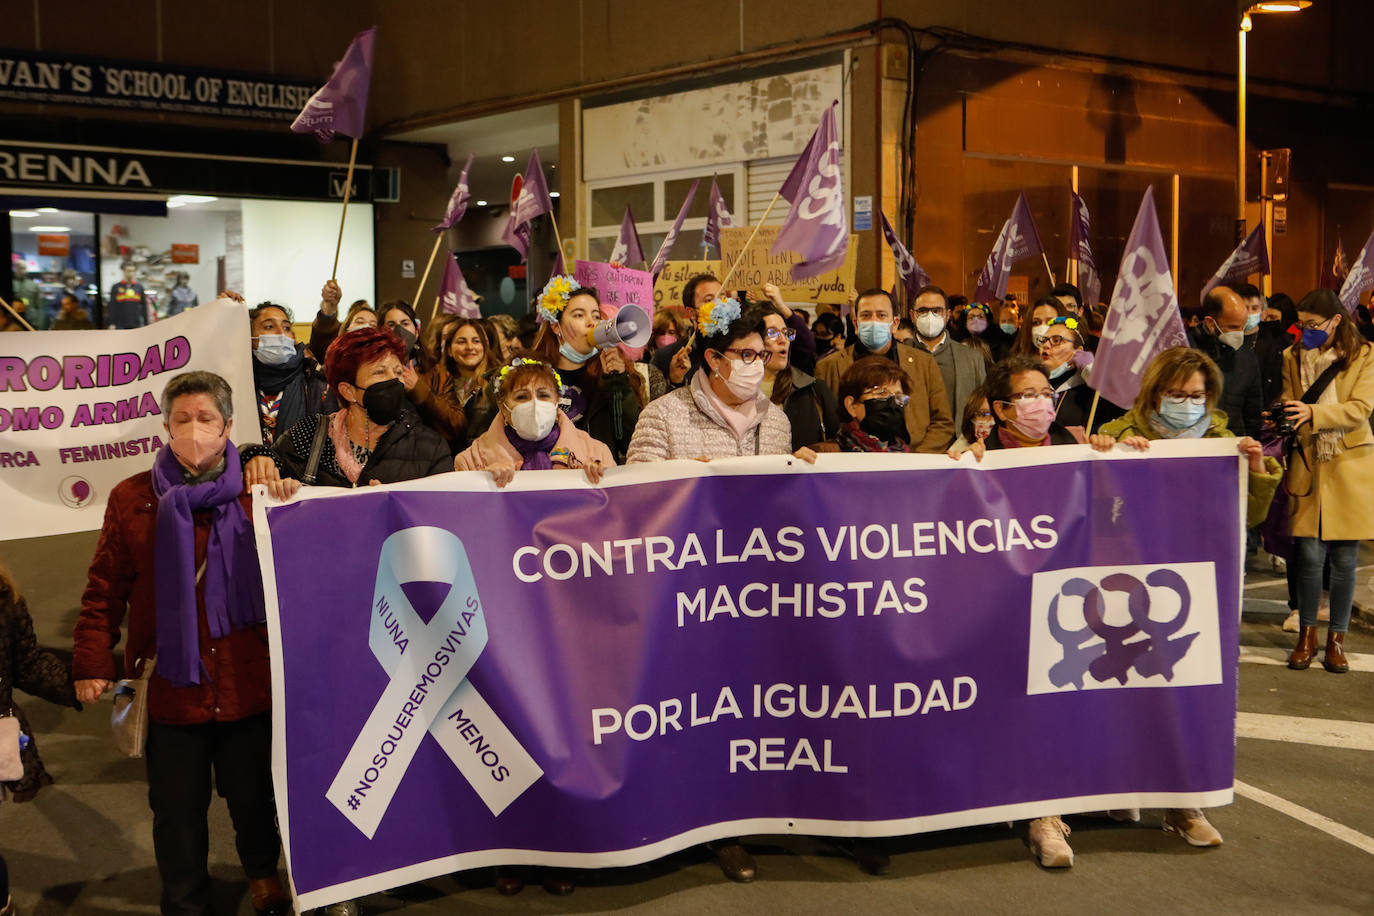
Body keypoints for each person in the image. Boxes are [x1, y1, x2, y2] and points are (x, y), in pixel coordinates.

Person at [72, 371, 291, 916]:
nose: (194, 430)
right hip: (171, 682)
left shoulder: (258, 494)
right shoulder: (131, 498)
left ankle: (263, 875)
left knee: (252, 797)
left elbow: (310, 565)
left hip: (246, 679)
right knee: (176, 809)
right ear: (165, 427)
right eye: (183, 419)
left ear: (228, 427)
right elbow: (105, 587)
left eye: (206, 419)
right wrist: (91, 661)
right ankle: (185, 902)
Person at [625, 297, 815, 883]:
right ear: (713, 358)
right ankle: (687, 820)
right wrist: (692, 480)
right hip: (686, 593)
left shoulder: (776, 420)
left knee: (743, 709)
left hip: (753, 592)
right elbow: (636, 494)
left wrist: (802, 473)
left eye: (765, 354)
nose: (759, 364)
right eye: (746, 354)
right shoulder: (664, 414)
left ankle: (734, 817)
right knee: (691, 709)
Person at [1277, 289, 1374, 674]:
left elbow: (1361, 409)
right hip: (1308, 459)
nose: (1306, 332)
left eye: (1313, 325)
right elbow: (1290, 399)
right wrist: (1283, 414)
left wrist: (1312, 412)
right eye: (1302, 325)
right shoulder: (1290, 355)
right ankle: (1307, 636)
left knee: (1345, 558)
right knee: (1310, 556)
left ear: (1336, 321)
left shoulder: (1364, 355)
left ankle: (1337, 639)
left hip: (1350, 461)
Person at [243, 327, 453, 494]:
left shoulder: (429, 446)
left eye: (398, 371)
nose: (393, 380)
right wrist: (254, 456)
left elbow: (439, 518)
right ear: (348, 391)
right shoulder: (309, 435)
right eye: (380, 372)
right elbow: (265, 467)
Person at [1100, 347, 1280, 529]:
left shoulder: (1221, 441)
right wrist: (1114, 457)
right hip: (1139, 551)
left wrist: (1257, 470)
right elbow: (1104, 515)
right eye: (1177, 395)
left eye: (1196, 395)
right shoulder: (1121, 435)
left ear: (1208, 395)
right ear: (1155, 394)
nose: (1187, 403)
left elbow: (1250, 517)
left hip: (1201, 551)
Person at [815, 289, 954, 453]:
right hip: (851, 463)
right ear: (855, 324)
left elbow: (942, 422)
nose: (873, 321)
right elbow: (820, 425)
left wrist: (916, 460)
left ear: (895, 324)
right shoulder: (828, 366)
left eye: (881, 315)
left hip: (913, 461)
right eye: (866, 315)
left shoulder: (924, 362)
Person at [529, 276, 646, 464]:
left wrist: (618, 385)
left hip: (598, 479)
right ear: (555, 326)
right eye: (578, 315)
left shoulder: (612, 376)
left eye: (596, 316)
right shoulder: (530, 376)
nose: (591, 323)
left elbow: (631, 443)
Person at [455, 357, 611, 483]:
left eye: (543, 395)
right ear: (503, 406)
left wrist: (598, 482)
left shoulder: (597, 452)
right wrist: (484, 482)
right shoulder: (470, 461)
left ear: (557, 401)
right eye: (522, 397)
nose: (535, 404)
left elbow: (614, 510)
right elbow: (465, 514)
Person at [248, 301, 327, 447]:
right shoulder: (237, 380)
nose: (280, 333)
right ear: (250, 337)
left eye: (286, 328)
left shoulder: (314, 382)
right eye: (269, 326)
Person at [761, 302, 838, 451]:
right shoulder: (734, 391)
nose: (783, 340)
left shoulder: (814, 390)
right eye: (772, 333)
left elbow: (839, 444)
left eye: (786, 332)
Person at [416, 317, 501, 452]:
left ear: (485, 347)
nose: (469, 347)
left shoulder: (498, 381)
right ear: (449, 350)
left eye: (476, 341)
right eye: (461, 341)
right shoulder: (438, 381)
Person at [1190, 286, 1263, 437]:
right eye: (1233, 327)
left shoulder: (1247, 358)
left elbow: (1253, 417)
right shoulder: (1184, 352)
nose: (1239, 333)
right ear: (1210, 323)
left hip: (1232, 445)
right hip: (1189, 445)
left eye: (1243, 327)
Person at [909, 285, 986, 426]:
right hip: (910, 445)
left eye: (937, 311)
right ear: (912, 315)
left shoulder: (972, 358)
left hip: (958, 444)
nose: (930, 316)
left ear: (948, 315)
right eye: (923, 311)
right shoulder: (899, 354)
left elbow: (982, 408)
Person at [1037, 316, 1119, 432]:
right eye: (1044, 340)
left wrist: (1091, 372)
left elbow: (1120, 406)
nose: (1046, 345)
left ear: (1078, 351)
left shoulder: (1089, 390)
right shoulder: (1031, 385)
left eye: (1056, 340)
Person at [653, 273, 722, 389]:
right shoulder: (665, 357)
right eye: (709, 300)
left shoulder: (736, 351)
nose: (719, 305)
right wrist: (676, 381)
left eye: (722, 297)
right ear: (691, 313)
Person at [836, 356, 912, 452]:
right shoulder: (829, 455)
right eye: (881, 393)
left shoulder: (909, 457)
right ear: (851, 406)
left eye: (899, 396)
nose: (892, 403)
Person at [1253, 291, 1297, 406]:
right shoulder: (1259, 337)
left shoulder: (1295, 341)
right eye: (1266, 317)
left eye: (1273, 317)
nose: (1268, 321)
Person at [947, 387, 994, 456]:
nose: (992, 420)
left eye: (995, 414)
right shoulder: (958, 450)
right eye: (984, 414)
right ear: (971, 417)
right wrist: (967, 457)